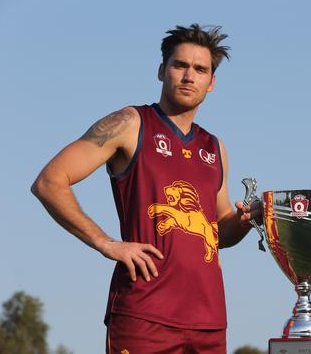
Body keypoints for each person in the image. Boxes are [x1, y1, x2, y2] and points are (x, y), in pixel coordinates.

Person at [31, 24, 259, 354]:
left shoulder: (215, 147)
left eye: (200, 69)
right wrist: (106, 243)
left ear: (211, 83)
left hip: (209, 321)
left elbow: (217, 230)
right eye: (180, 65)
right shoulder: (129, 123)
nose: (188, 76)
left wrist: (246, 221)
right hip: (144, 314)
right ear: (161, 70)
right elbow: (49, 182)